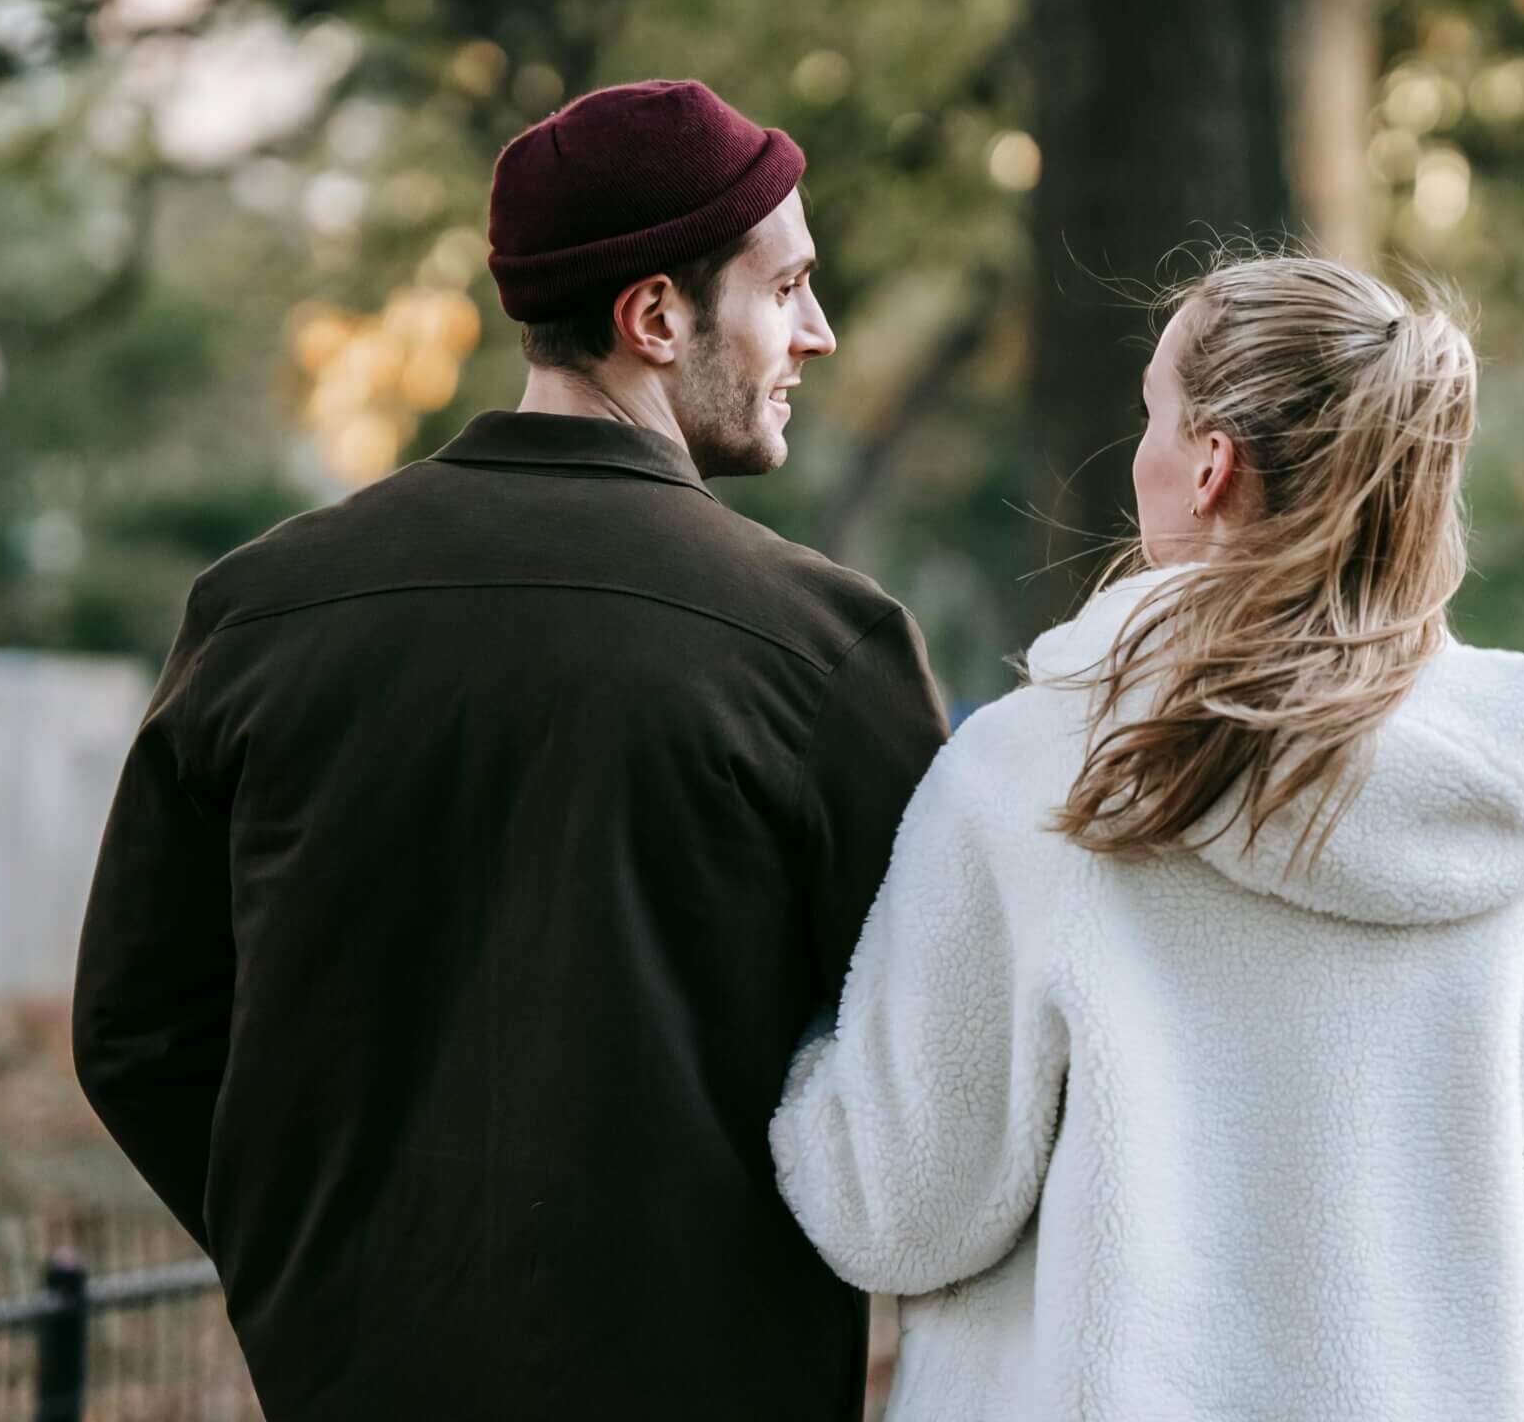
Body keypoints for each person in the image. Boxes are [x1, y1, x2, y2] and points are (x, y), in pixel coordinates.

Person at [74, 80, 946, 1420]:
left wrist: (313, 1263)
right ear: (654, 316)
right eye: (788, 290)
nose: (818, 335)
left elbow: (139, 1028)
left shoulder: (260, 613)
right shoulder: (822, 651)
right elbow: (929, 1066)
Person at [773, 254, 1524, 1420]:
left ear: (1209, 465)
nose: (1136, 451)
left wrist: (801, 1069)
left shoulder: (1038, 780)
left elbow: (895, 1210)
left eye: (1151, 412)